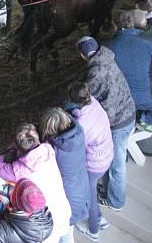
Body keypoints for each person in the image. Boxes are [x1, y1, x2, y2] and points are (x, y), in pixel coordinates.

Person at [72, 37, 136, 213]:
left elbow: (85, 95)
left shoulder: (96, 72)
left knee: (117, 164)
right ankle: (112, 189)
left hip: (117, 122)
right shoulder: (107, 58)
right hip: (128, 110)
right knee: (117, 157)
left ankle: (116, 201)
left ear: (83, 55)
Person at [0, 124, 72, 243]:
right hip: (64, 210)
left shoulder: (18, 171)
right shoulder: (48, 150)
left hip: (46, 222)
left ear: (18, 147)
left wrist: (11, 151)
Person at [106, 11, 152, 133]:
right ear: (132, 24)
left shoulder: (107, 47)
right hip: (145, 98)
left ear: (114, 26)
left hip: (117, 99)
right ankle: (147, 120)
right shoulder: (149, 43)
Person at [61, 84, 114, 241]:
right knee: (91, 192)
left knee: (89, 196)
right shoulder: (94, 102)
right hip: (107, 153)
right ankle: (99, 219)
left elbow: (76, 145)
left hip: (94, 164)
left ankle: (93, 230)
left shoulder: (82, 123)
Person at [38, 107, 93, 241]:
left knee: (61, 233)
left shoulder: (55, 150)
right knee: (68, 231)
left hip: (68, 199)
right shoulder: (78, 131)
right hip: (82, 190)